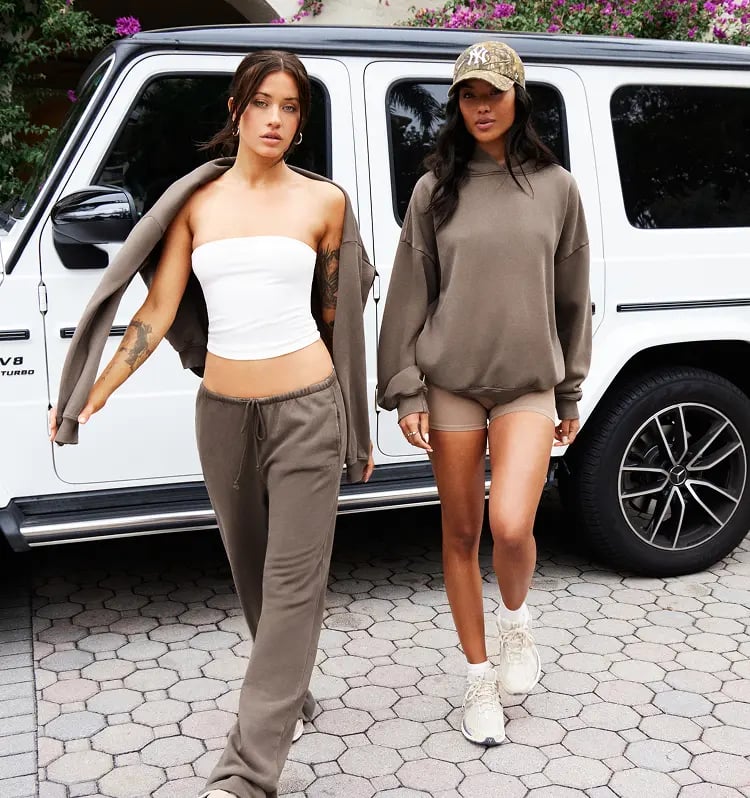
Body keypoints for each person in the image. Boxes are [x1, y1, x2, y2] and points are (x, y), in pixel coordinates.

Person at [49, 50, 375, 798]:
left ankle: (246, 771)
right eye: (263, 102)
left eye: (291, 107)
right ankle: (288, 695)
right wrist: (95, 389)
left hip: (306, 411)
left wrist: (352, 423)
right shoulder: (196, 204)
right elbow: (158, 311)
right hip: (223, 415)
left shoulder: (324, 204)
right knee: (253, 575)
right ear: (236, 109)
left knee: (295, 585)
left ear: (300, 121)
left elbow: (339, 323)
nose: (275, 119)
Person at [377, 40, 592, 746]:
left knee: (511, 528)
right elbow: (411, 295)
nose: (481, 106)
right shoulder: (434, 190)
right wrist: (407, 389)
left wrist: (570, 391)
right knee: (462, 533)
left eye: (493, 94)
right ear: (457, 103)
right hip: (453, 385)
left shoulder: (557, 188)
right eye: (469, 94)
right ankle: (477, 679)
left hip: (528, 381)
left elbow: (572, 299)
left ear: (518, 99)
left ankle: (517, 625)